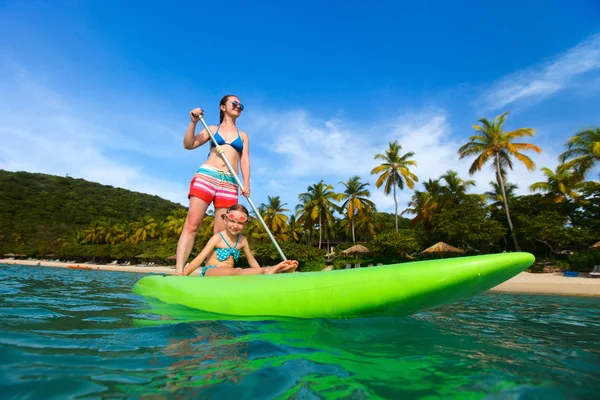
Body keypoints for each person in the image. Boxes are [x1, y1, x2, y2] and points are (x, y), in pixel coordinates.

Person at [175, 95, 251, 275]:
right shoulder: (211, 128)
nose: (238, 107)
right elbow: (189, 144)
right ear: (223, 107)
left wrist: (246, 184)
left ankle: (212, 273)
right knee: (192, 225)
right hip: (208, 176)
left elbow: (245, 161)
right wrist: (193, 122)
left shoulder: (243, 135)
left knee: (221, 233)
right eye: (234, 103)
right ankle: (178, 271)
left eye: (241, 105)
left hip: (231, 182)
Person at [182, 205, 298, 276]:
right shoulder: (217, 237)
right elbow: (200, 258)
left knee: (238, 272)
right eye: (232, 221)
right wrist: (184, 274)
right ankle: (267, 270)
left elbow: (251, 261)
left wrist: (259, 273)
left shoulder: (242, 240)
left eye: (240, 223)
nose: (235, 225)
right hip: (211, 271)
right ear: (225, 220)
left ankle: (272, 272)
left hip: (230, 274)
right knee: (237, 271)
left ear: (245, 224)